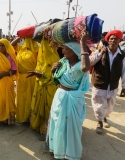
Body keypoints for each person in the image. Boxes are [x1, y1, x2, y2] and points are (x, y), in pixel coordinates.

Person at [47, 31, 90, 160]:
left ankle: (71, 154)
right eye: (63, 48)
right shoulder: (63, 62)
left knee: (70, 127)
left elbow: (86, 66)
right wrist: (53, 70)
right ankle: (57, 149)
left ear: (74, 51)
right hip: (60, 96)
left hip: (72, 99)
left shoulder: (78, 66)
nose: (63, 51)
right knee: (57, 123)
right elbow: (56, 78)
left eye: (66, 49)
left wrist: (82, 43)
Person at [90, 30, 125, 134]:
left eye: (116, 39)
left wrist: (124, 86)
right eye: (111, 38)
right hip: (100, 84)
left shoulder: (122, 55)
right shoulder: (101, 51)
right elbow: (91, 61)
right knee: (99, 106)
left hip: (113, 86)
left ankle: (103, 116)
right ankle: (99, 122)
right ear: (108, 40)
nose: (113, 40)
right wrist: (99, 54)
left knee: (109, 108)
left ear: (120, 40)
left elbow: (124, 71)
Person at [27, 39, 60, 141]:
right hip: (40, 85)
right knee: (39, 105)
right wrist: (37, 73)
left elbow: (55, 74)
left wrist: (41, 75)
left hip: (51, 87)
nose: (42, 49)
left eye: (44, 46)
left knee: (49, 108)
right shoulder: (41, 59)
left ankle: (46, 130)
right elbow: (39, 68)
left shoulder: (55, 57)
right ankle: (39, 126)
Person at [12, 37, 38, 124]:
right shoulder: (21, 49)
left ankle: (29, 119)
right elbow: (11, 45)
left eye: (29, 38)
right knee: (22, 98)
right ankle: (22, 117)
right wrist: (20, 37)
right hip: (21, 78)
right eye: (27, 39)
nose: (28, 41)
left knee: (30, 98)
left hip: (32, 78)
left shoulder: (37, 50)